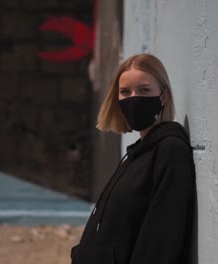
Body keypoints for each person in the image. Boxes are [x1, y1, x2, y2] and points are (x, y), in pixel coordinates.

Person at [71, 54, 196, 264]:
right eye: (125, 92)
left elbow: (159, 244)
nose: (133, 98)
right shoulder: (136, 153)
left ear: (163, 96)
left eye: (144, 90)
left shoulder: (169, 151)